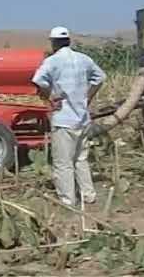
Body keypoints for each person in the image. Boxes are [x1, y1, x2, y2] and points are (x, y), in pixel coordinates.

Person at [31, 26, 106, 206]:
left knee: (63, 163)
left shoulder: (52, 61)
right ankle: (88, 195)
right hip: (82, 118)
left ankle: (68, 200)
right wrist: (88, 97)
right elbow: (100, 78)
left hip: (63, 119)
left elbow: (38, 79)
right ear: (68, 41)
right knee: (81, 159)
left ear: (54, 43)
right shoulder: (84, 59)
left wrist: (49, 96)